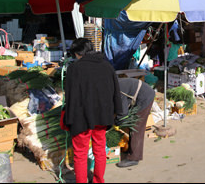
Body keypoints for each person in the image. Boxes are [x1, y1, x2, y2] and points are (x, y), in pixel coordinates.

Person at [62, 38, 123, 183]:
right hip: (102, 116)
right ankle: (98, 180)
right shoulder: (107, 66)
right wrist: (117, 111)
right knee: (100, 150)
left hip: (81, 118)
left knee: (80, 154)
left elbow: (69, 95)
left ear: (78, 53)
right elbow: (116, 91)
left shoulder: (74, 68)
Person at [115, 78, 155, 168]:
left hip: (145, 98)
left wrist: (115, 123)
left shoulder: (118, 91)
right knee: (132, 125)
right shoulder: (113, 86)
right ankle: (131, 149)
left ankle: (134, 158)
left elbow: (122, 113)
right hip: (139, 95)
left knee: (137, 127)